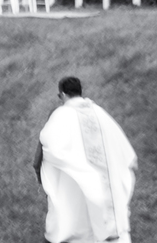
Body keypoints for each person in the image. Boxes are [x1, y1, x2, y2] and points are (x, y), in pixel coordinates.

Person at [33, 77, 137, 243]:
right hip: (103, 177)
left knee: (75, 210)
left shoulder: (61, 114)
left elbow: (49, 145)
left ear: (62, 94)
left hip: (76, 179)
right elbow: (118, 142)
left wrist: (43, 168)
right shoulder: (100, 112)